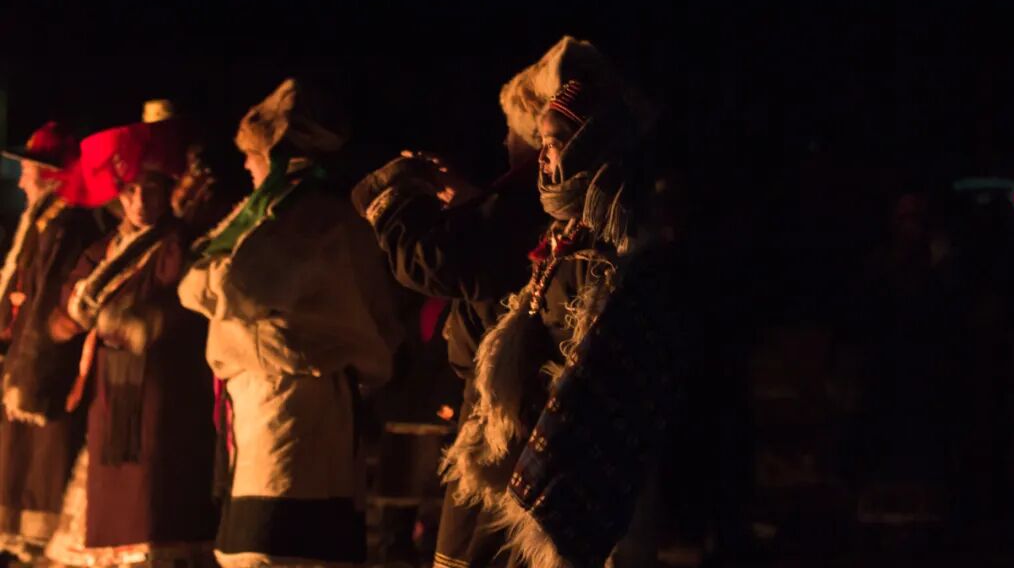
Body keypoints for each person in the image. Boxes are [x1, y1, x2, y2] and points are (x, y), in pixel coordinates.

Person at [438, 42, 695, 568]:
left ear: (589, 146)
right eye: (543, 142)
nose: (544, 155)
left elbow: (612, 381)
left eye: (555, 142)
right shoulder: (565, 236)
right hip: (536, 461)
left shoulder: (621, 250)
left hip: (585, 480)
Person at [353, 37, 600, 568]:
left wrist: (393, 197)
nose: (509, 142)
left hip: (508, 425)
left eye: (519, 132)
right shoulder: (535, 204)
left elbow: (436, 260)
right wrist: (469, 201)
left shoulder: (533, 204)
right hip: (512, 419)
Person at [178, 78, 405, 567]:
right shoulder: (336, 214)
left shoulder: (296, 216)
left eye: (251, 156)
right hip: (314, 406)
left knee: (271, 551)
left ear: (274, 155)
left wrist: (205, 277)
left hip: (283, 408)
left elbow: (228, 286)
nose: (245, 166)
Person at [44, 118, 217, 566]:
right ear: (118, 195)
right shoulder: (107, 248)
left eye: (151, 191)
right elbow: (68, 305)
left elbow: (175, 305)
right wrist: (79, 317)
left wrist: (129, 322)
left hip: (162, 388)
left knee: (153, 491)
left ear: (168, 193)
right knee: (110, 484)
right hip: (110, 388)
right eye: (132, 191)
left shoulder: (177, 243)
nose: (140, 201)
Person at [0, 122, 104, 562]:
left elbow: (46, 305)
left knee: (43, 468)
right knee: (21, 466)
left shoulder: (66, 227)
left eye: (27, 171)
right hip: (26, 364)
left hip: (48, 372)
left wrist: (30, 372)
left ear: (48, 175)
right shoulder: (43, 223)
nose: (21, 181)